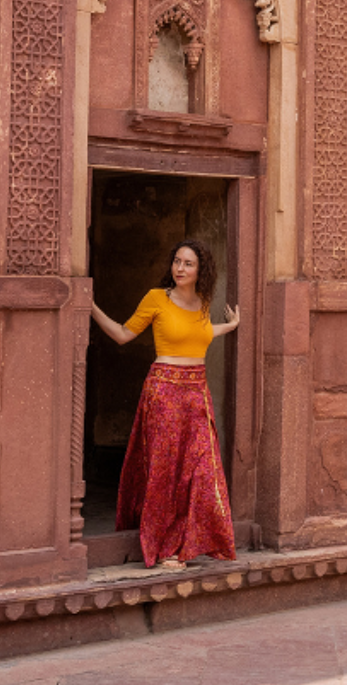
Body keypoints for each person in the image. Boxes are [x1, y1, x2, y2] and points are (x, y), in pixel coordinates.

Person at [89, 239, 241, 570]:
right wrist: (89, 306)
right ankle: (162, 549)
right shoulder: (157, 298)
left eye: (188, 264)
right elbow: (122, 334)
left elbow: (197, 335)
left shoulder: (202, 302)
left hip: (197, 393)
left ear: (201, 270)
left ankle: (192, 544)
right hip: (165, 391)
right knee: (165, 472)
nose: (180, 269)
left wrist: (229, 326)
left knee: (201, 470)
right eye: (177, 262)